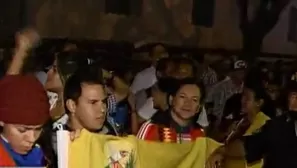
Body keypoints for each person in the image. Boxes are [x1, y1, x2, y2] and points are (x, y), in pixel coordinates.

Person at [0, 75, 51, 167]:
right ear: (1, 121)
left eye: (38, 129)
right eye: (22, 130)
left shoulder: (41, 155)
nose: (32, 139)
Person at [137, 78, 205, 143]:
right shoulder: (152, 128)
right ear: (171, 100)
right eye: (182, 96)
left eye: (194, 100)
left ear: (198, 107)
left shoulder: (199, 133)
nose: (188, 103)